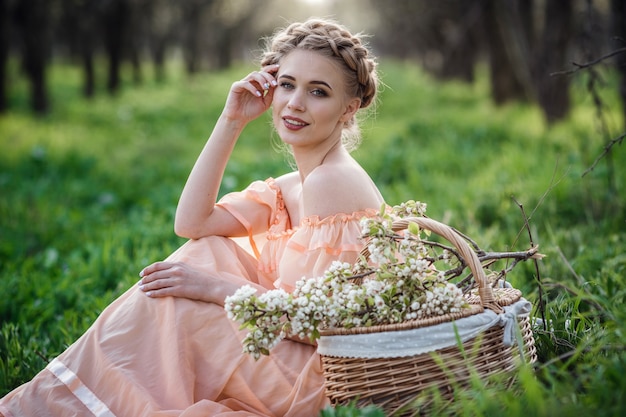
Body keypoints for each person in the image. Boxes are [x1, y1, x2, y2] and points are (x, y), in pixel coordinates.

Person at [0, 17, 384, 417]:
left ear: (349, 108)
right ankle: (70, 400)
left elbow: (327, 328)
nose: (294, 103)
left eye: (318, 92)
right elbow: (193, 224)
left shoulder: (331, 182)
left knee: (190, 294)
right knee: (208, 251)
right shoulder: (295, 184)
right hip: (291, 356)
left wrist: (214, 288)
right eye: (286, 85)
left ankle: (56, 404)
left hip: (324, 379)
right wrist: (231, 119)